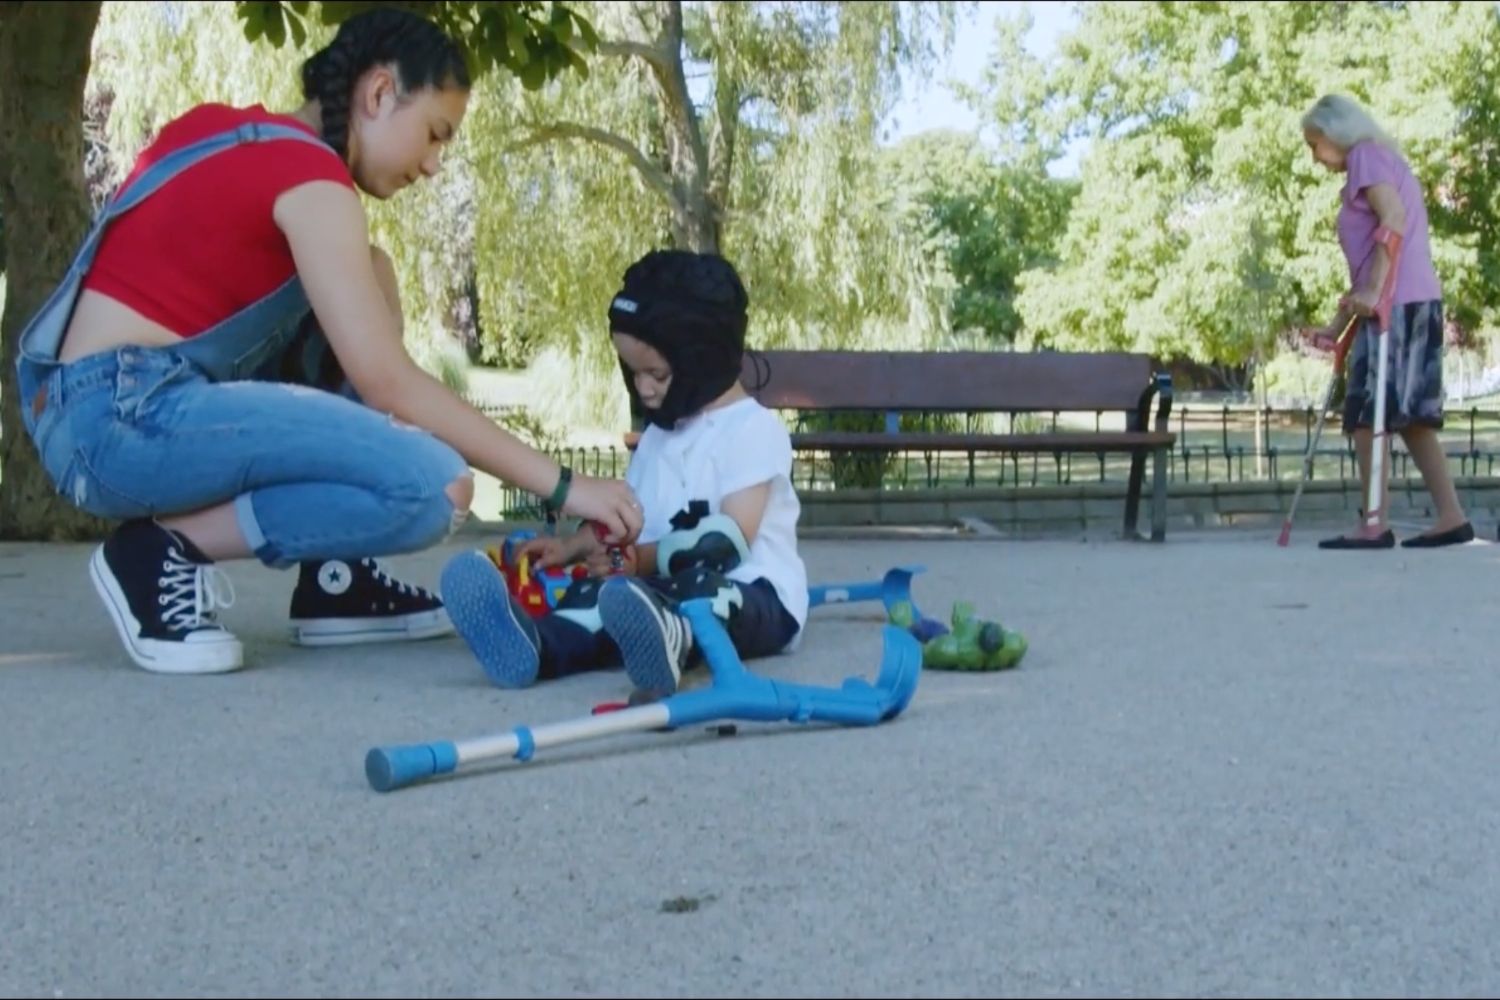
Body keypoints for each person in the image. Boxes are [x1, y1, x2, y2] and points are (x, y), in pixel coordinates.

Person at [13, 8, 643, 676]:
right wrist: (567, 487)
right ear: (378, 93)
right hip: (122, 416)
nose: (434, 165)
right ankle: (160, 552)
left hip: (82, 407)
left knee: (372, 272)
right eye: (434, 134)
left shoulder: (235, 136)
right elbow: (386, 380)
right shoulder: (312, 178)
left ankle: (335, 583)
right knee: (430, 486)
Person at [440, 249, 808, 696]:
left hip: (755, 595)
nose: (642, 388)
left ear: (705, 360)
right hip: (656, 587)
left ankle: (674, 639)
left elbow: (727, 542)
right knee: (596, 595)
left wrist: (639, 562)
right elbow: (629, 519)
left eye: (656, 373)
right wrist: (571, 548)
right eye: (633, 373)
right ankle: (536, 646)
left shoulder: (753, 430)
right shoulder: (659, 435)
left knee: (701, 591)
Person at [1300, 93, 1473, 550]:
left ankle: (1374, 523)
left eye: (1313, 143)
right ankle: (1451, 517)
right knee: (1411, 415)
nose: (1313, 155)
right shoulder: (1374, 161)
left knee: (1364, 411)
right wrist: (1335, 325)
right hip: (1407, 300)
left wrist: (1375, 294)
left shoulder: (1366, 157)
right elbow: (1366, 267)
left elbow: (1392, 221)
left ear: (1334, 133)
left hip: (1397, 304)